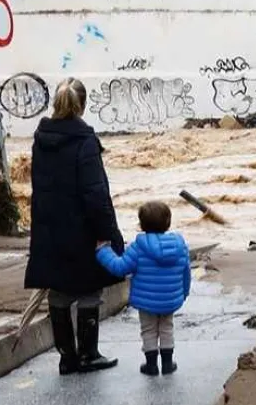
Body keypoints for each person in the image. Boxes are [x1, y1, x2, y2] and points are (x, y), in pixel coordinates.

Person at [25, 78, 125, 376]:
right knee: (89, 289)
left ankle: (66, 358)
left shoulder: (40, 138)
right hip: (82, 229)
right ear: (82, 106)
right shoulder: (85, 141)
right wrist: (108, 232)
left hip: (49, 228)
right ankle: (88, 355)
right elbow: (94, 192)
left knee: (59, 290)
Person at [96, 201, 191, 376]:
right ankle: (168, 364)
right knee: (167, 327)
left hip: (146, 302)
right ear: (168, 223)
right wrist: (184, 292)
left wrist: (103, 251)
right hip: (170, 299)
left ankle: (151, 365)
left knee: (148, 330)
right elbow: (186, 272)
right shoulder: (180, 245)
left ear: (141, 225)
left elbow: (120, 268)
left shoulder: (139, 247)